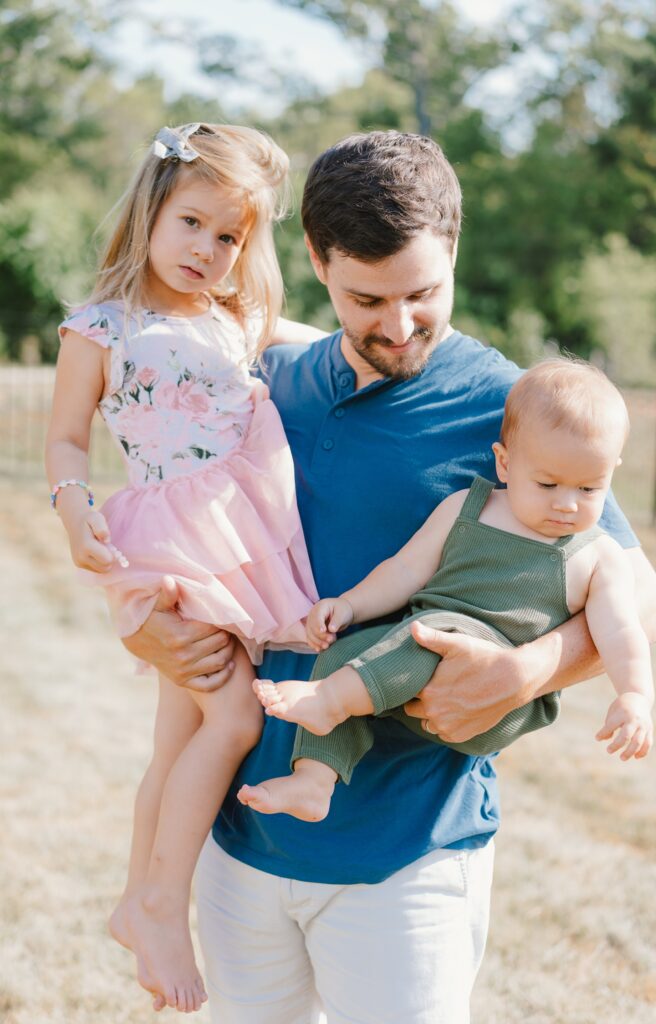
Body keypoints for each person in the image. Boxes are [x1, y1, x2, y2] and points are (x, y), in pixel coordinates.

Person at [122, 131, 656, 1024]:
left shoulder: (515, 410)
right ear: (314, 261)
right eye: (365, 299)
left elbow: (640, 605)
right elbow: (166, 516)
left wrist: (524, 672)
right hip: (241, 838)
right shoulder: (270, 382)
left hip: (407, 852)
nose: (399, 326)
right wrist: (146, 624)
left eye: (424, 293)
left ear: (454, 251)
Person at [45, 122, 323, 1015]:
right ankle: (163, 902)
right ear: (151, 211)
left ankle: (139, 895)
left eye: (229, 236)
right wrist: (71, 505)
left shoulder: (238, 321)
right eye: (192, 223)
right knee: (233, 711)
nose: (207, 248)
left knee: (177, 738)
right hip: (169, 537)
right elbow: (65, 436)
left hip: (236, 537)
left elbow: (331, 339)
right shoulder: (103, 325)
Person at [240, 358, 654, 822]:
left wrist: (634, 696)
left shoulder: (597, 556)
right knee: (343, 655)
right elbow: (403, 572)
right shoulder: (469, 507)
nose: (566, 503)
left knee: (435, 631)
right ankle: (314, 782)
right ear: (505, 461)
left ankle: (330, 701)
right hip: (409, 663)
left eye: (589, 488)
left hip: (494, 700)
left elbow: (621, 631)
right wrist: (350, 604)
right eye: (546, 483)